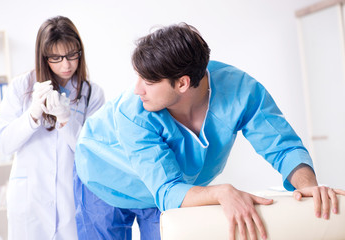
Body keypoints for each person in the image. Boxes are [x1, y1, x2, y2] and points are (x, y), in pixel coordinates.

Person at [74, 23, 344, 240]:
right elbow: (167, 190)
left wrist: (308, 186)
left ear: (182, 83)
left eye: (148, 81)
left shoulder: (241, 90)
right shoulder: (133, 112)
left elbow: (283, 146)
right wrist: (219, 192)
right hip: (102, 176)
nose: (137, 89)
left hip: (167, 189)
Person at [0, 16, 104, 240]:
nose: (66, 65)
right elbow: (4, 144)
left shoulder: (92, 94)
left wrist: (65, 121)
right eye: (56, 57)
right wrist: (32, 115)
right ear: (43, 57)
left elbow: (92, 152)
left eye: (72, 55)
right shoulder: (21, 87)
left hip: (70, 201)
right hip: (29, 200)